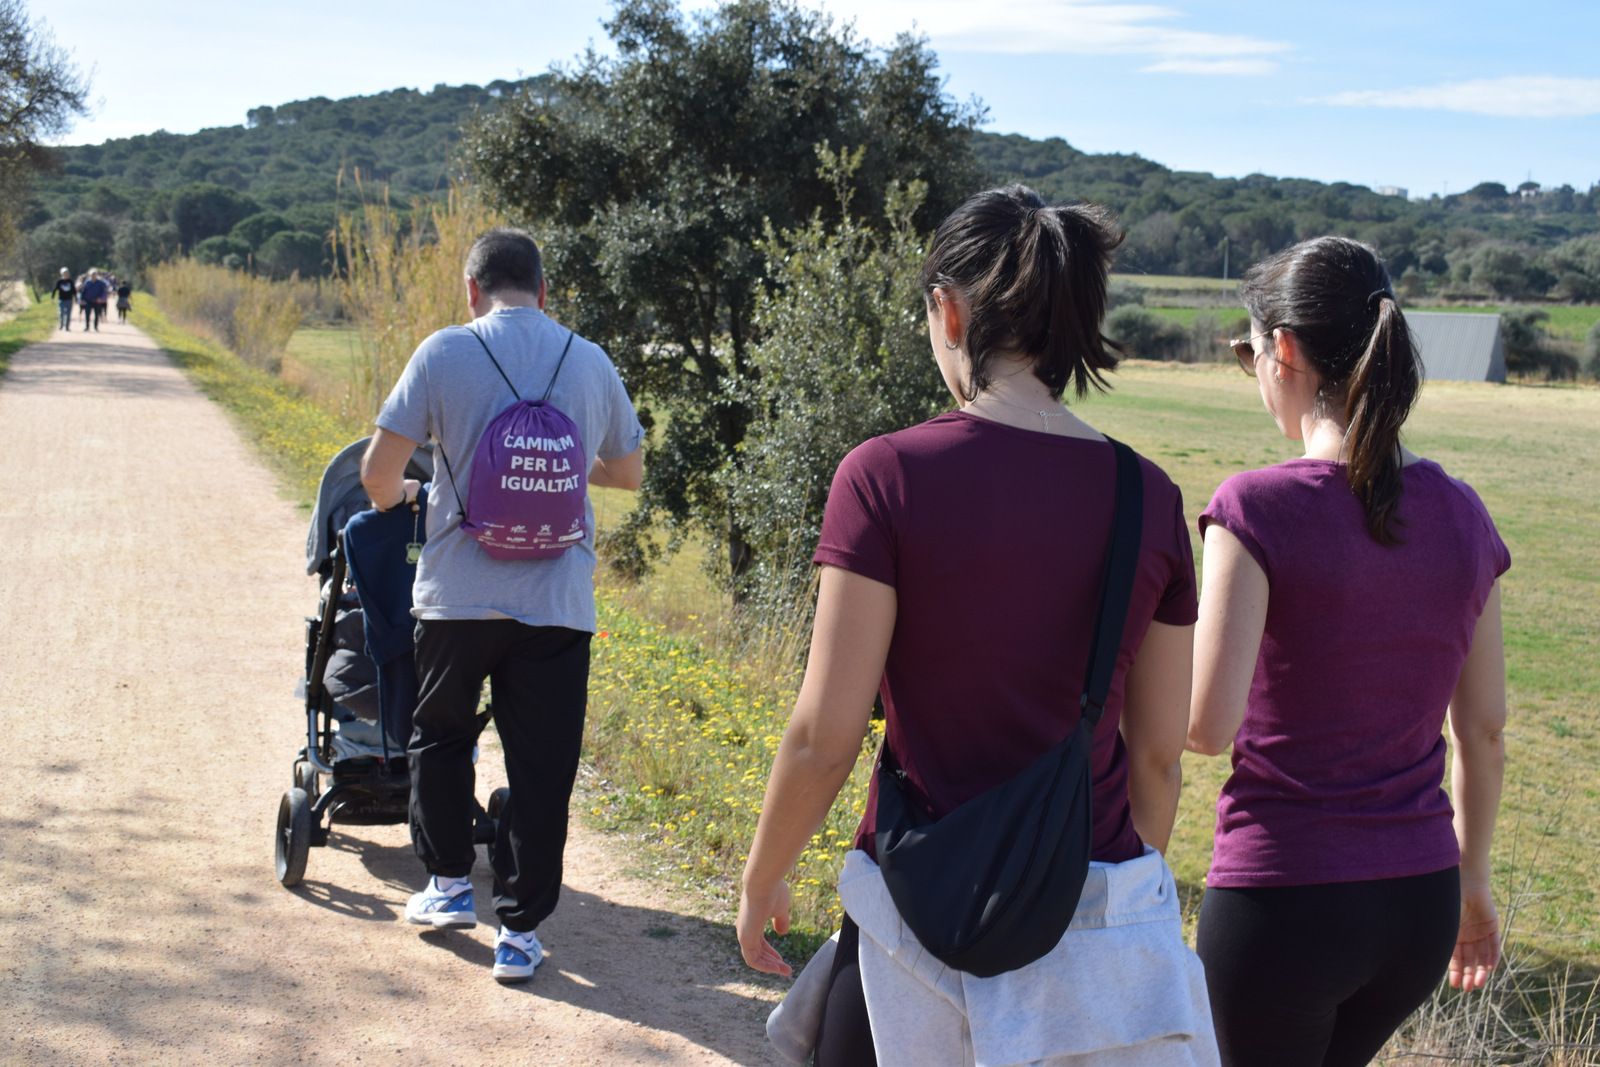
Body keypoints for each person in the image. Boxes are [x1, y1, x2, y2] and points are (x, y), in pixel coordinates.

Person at [737, 185, 1216, 1066]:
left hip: (913, 920)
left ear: (948, 311)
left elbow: (826, 732)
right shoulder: (1147, 497)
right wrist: (1110, 900)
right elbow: (1156, 752)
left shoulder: (884, 476)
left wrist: (763, 869)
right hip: (1091, 908)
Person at [1186, 236, 1509, 1067]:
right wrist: (1474, 886)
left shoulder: (1254, 508)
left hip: (1285, 900)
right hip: (1419, 905)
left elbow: (1205, 725)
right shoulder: (1464, 514)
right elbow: (1483, 733)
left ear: (1284, 350)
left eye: (1250, 351)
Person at [360, 227, 645, 983]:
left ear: (471, 289)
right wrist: (561, 467)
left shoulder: (443, 352)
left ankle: (451, 886)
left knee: (443, 737)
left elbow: (378, 472)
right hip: (556, 602)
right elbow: (629, 470)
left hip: (456, 596)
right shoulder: (588, 359)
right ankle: (519, 933)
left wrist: (409, 496)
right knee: (543, 764)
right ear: (545, 291)